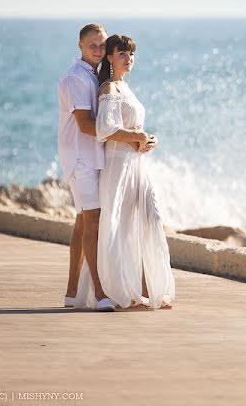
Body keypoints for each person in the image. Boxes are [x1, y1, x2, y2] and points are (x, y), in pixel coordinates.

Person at [74, 33, 176, 310]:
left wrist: (147, 139)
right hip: (118, 166)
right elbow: (104, 130)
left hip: (136, 164)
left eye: (131, 54)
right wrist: (137, 137)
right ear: (110, 57)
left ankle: (146, 289)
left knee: (149, 219)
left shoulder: (126, 88)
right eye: (122, 53)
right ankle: (118, 291)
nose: (129, 58)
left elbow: (133, 130)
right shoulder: (108, 88)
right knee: (118, 226)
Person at [57, 23, 116, 312]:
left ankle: (72, 294)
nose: (98, 49)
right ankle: (100, 292)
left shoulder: (96, 76)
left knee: (82, 225)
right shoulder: (75, 79)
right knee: (92, 223)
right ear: (80, 45)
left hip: (92, 157)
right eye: (92, 44)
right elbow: (84, 125)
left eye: (102, 45)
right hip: (80, 159)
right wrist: (126, 138)